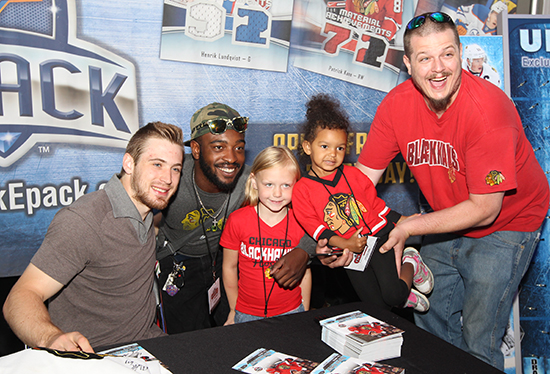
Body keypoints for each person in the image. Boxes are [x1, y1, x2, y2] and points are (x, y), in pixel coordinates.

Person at [356, 12, 549, 370]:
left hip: (507, 223)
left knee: (479, 335)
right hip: (448, 212)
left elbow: (485, 209)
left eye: (447, 54)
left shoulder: (488, 112)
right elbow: (363, 179)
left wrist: (410, 227)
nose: (438, 68)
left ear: (461, 54)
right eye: (425, 58)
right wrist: (332, 227)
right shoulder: (397, 105)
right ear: (408, 64)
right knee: (431, 322)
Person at [2, 121, 185, 352]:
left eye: (175, 168)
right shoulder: (84, 221)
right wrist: (50, 338)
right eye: (157, 164)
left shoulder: (147, 209)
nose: (168, 178)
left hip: (147, 344)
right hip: (96, 355)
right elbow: (21, 296)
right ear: (129, 163)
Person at [155, 103, 315, 334]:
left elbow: (313, 218)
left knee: (234, 337)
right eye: (219, 147)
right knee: (188, 341)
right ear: (197, 150)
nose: (231, 158)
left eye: (239, 148)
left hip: (221, 262)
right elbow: (134, 202)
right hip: (180, 265)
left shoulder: (257, 181)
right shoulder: (172, 177)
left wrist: (304, 251)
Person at [292, 93, 434, 313]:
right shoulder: (301, 189)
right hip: (351, 252)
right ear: (308, 147)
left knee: (392, 294)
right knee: (376, 307)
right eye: (324, 146)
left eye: (339, 148)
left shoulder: (354, 175)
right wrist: (345, 243)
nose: (332, 154)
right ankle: (405, 296)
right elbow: (317, 229)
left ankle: (411, 262)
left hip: (380, 237)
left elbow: (377, 207)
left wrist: (406, 221)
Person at [220, 146, 312, 324]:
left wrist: (305, 311)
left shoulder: (302, 223)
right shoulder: (237, 220)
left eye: (286, 185)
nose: (277, 193)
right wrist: (233, 308)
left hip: (292, 311)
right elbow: (229, 267)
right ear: (254, 182)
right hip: (245, 313)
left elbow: (305, 272)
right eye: (269, 184)